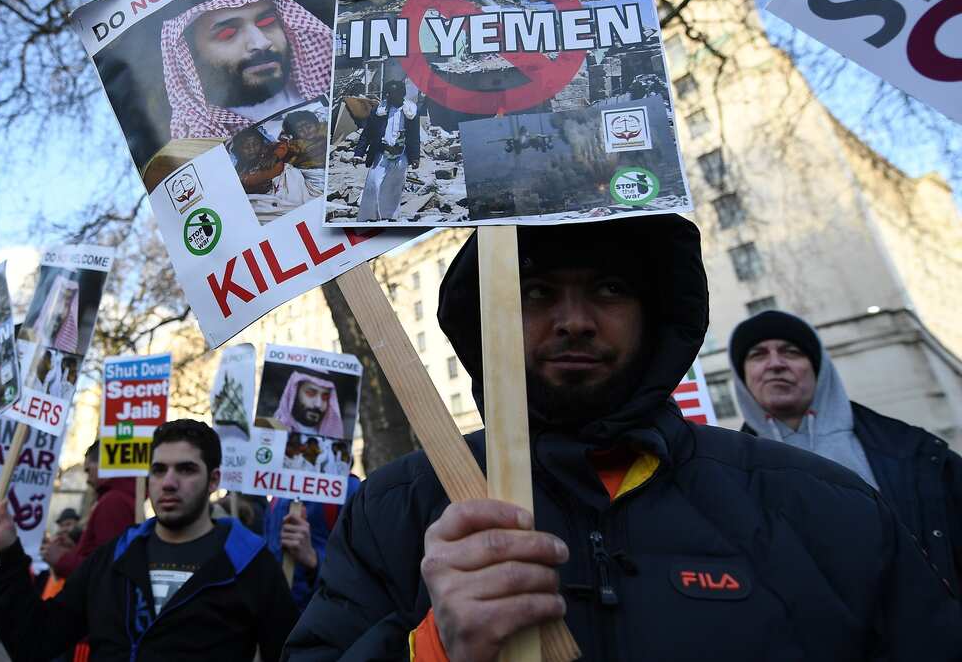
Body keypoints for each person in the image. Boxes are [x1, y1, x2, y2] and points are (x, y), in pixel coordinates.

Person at [284, 216, 962, 660]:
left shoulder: (822, 506)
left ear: (656, 316)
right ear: (485, 314)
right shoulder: (394, 508)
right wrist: (430, 649)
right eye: (536, 291)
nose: (574, 320)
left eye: (608, 289)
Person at [0, 419, 298, 660]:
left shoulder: (251, 565)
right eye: (158, 470)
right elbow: (36, 641)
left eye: (185, 470)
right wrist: (5, 553)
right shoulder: (115, 558)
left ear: (213, 481)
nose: (168, 483)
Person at [730, 308, 962, 592]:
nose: (775, 364)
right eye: (758, 354)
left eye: (791, 352)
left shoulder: (914, 452)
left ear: (819, 369)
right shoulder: (727, 476)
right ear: (742, 377)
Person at [160, 0, 332, 141]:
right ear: (191, 56)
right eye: (228, 34)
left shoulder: (330, 77)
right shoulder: (197, 143)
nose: (261, 43)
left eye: (267, 23)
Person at [264, 474, 362, 611]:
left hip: (315, 617)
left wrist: (314, 560)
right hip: (274, 611)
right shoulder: (282, 483)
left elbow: (361, 574)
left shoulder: (347, 488)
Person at [46, 442, 135, 579]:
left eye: (88, 470)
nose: (87, 480)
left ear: (104, 464)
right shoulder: (117, 498)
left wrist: (61, 560)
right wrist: (75, 551)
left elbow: (107, 569)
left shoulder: (113, 502)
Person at [355, 79, 421, 222]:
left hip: (401, 154)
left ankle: (390, 217)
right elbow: (367, 133)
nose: (390, 97)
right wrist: (358, 153)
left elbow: (415, 135)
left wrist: (415, 157)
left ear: (402, 94)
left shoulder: (411, 111)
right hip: (381, 153)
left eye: (394, 94)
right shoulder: (379, 111)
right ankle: (369, 217)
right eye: (388, 94)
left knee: (394, 187)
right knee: (373, 183)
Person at [272, 371, 345, 437]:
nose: (318, 404)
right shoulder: (273, 429)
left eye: (325, 397)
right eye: (311, 393)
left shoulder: (333, 436)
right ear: (294, 394)